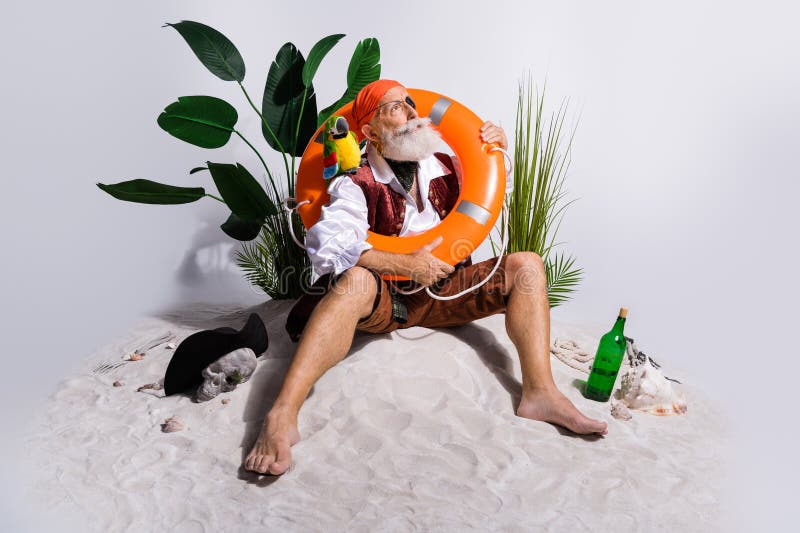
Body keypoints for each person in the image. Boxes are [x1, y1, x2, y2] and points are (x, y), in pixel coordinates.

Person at [244, 80, 607, 476]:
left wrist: (497, 147)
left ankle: (541, 393)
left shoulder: (448, 165)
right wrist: (401, 265)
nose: (412, 112)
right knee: (355, 281)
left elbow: (489, 191)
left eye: (410, 103)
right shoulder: (356, 183)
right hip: (385, 299)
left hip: (445, 293)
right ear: (369, 132)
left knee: (528, 265)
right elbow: (327, 246)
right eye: (394, 108)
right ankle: (282, 414)